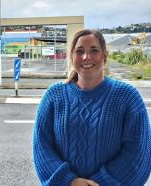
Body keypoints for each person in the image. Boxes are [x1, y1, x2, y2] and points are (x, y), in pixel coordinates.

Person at [33, 29, 151, 186]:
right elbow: (42, 146)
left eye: (94, 50)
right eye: (79, 51)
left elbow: (138, 153)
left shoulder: (127, 97)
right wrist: (69, 181)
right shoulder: (54, 96)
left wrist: (99, 183)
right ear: (71, 57)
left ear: (104, 55)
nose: (86, 57)